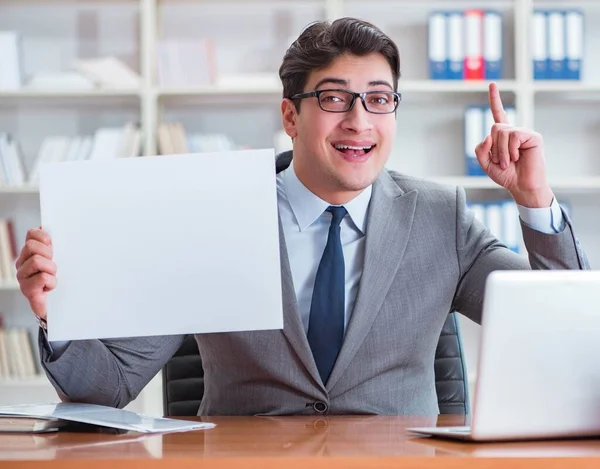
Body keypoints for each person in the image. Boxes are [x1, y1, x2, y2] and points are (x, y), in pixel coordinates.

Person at [16, 18, 588, 415]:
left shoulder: (442, 218)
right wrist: (55, 317)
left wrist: (534, 202)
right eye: (334, 98)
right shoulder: (211, 213)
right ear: (290, 115)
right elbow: (108, 387)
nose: (359, 121)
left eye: (379, 98)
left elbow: (565, 336)